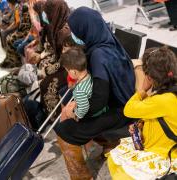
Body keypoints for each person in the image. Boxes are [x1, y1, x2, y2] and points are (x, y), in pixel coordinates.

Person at [54, 7, 135, 179]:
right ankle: (110, 143)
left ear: (84, 28)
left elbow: (98, 100)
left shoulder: (98, 54)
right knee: (66, 96)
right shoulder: (107, 41)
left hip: (120, 110)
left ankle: (83, 177)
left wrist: (76, 113)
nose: (73, 33)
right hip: (123, 102)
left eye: (74, 29)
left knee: (64, 130)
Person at [108, 46, 177, 180]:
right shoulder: (169, 93)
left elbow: (129, 110)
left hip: (165, 153)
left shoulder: (162, 100)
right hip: (162, 142)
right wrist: (141, 125)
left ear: (149, 78)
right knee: (115, 160)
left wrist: (142, 90)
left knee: (120, 172)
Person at [60, 47, 107, 122]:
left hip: (90, 115)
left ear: (74, 72)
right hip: (95, 105)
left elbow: (84, 108)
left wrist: (76, 116)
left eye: (67, 71)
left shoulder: (79, 91)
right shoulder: (88, 73)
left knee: (65, 116)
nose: (67, 73)